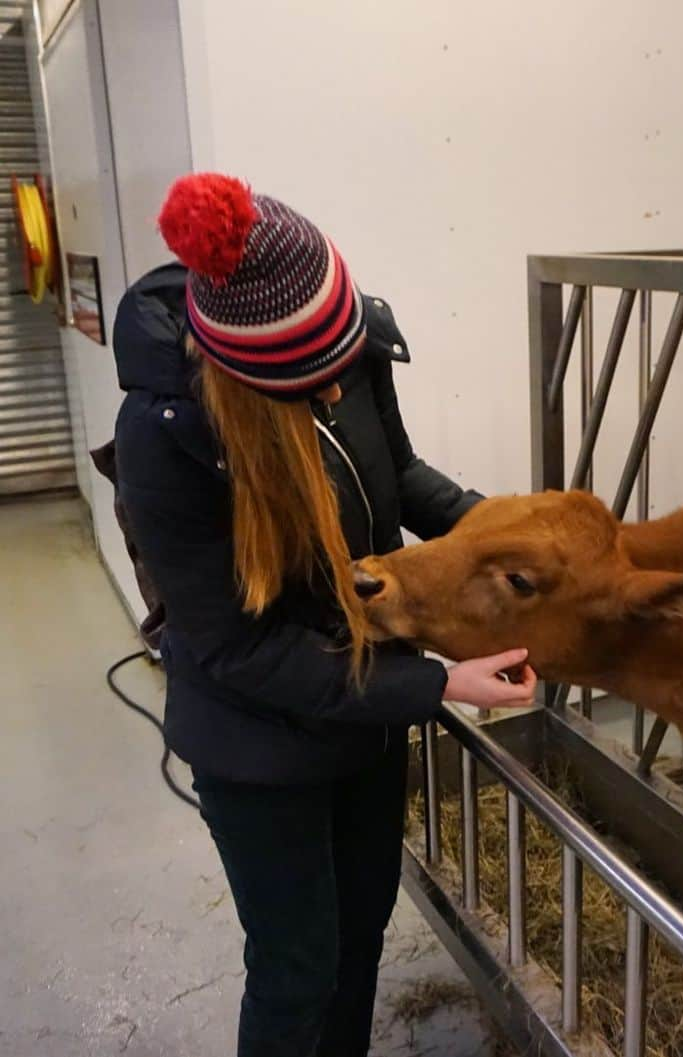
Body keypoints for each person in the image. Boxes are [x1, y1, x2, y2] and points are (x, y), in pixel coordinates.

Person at [112, 172, 536, 1057]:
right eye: (320, 383)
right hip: (260, 744)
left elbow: (402, 474)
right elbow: (243, 651)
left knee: (362, 933)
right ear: (257, 380)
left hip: (364, 715)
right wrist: (435, 680)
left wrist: (503, 534)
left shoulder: (347, 344)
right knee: (297, 964)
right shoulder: (170, 442)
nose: (343, 391)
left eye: (347, 363)